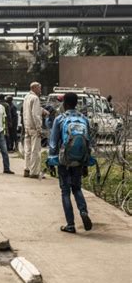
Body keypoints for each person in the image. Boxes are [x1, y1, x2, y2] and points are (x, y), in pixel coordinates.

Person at [49, 92, 93, 234]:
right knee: (77, 188)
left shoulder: (60, 119)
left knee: (65, 191)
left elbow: (53, 143)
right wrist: (85, 164)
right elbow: (89, 143)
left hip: (64, 160)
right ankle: (84, 212)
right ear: (76, 103)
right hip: (79, 160)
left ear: (65, 104)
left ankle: (70, 225)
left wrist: (51, 160)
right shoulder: (84, 119)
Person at [23, 82, 44, 179]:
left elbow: (25, 112)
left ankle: (26, 169)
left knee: (27, 150)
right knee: (35, 150)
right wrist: (39, 128)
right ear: (35, 88)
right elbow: (35, 115)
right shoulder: (35, 98)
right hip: (34, 128)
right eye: (39, 88)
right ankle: (34, 172)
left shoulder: (27, 97)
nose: (40, 90)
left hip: (27, 126)